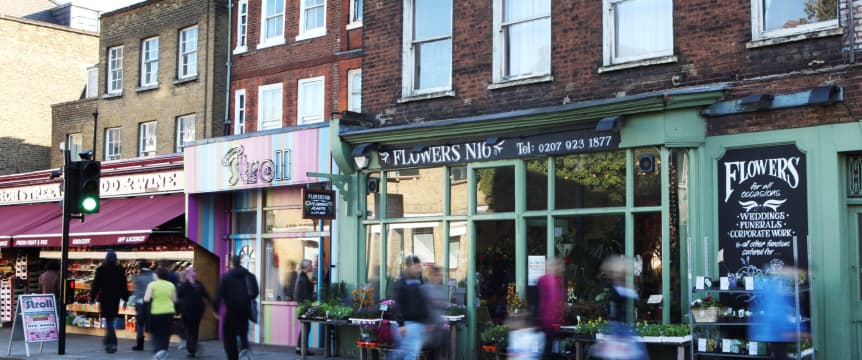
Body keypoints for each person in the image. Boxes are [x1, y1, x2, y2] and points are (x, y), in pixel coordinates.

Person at [592, 255, 647, 360]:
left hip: (618, 326)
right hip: (620, 327)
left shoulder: (617, 286)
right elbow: (634, 295)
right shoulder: (618, 288)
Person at [749, 267, 804, 360]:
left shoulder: (774, 285)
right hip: (777, 333)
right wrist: (790, 330)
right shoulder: (775, 287)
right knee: (780, 355)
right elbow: (776, 312)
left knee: (778, 354)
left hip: (774, 333)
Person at [213, 256, 259, 360]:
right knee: (243, 332)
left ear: (231, 263)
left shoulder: (226, 277)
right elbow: (255, 292)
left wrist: (216, 310)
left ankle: (233, 357)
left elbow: (219, 294)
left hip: (231, 310)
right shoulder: (250, 276)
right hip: (245, 310)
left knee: (229, 336)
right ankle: (244, 350)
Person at [390, 255, 432, 360]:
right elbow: (398, 304)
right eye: (416, 267)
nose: (419, 269)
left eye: (419, 266)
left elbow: (423, 303)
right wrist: (401, 324)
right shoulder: (401, 283)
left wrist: (426, 321)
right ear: (409, 266)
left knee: (403, 353)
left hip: (417, 325)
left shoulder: (420, 282)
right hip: (408, 325)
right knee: (410, 354)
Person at [90, 250, 130, 354]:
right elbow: (123, 285)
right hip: (115, 299)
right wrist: (125, 299)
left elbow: (96, 285)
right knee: (110, 321)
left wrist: (92, 297)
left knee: (109, 321)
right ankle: (109, 342)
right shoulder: (120, 270)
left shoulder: (101, 269)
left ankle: (111, 343)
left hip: (105, 298)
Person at [177, 267, 211, 358]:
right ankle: (193, 348)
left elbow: (177, 296)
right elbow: (207, 296)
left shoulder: (184, 285)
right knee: (195, 330)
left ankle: (191, 347)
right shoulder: (199, 284)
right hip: (197, 312)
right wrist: (213, 307)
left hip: (186, 312)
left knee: (187, 330)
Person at [145, 267, 178, 360]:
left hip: (156, 311)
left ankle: (158, 350)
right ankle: (164, 350)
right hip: (169, 311)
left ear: (157, 275)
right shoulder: (171, 285)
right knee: (165, 332)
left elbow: (146, 299)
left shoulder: (152, 285)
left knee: (156, 333)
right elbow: (175, 299)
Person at [536, 257, 564, 358]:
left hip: (556, 323)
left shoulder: (559, 281)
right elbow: (536, 301)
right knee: (547, 351)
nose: (559, 268)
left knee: (554, 351)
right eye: (555, 265)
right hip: (545, 322)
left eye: (559, 265)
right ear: (548, 267)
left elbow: (560, 301)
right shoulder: (542, 281)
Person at [421, 266, 448, 355]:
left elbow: (443, 304)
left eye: (440, 275)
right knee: (428, 352)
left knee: (437, 352)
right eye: (436, 275)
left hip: (439, 327)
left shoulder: (441, 289)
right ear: (431, 276)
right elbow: (422, 306)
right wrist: (427, 323)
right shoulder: (424, 289)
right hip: (429, 327)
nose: (439, 277)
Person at [132, 260, 156, 351]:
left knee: (140, 324)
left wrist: (135, 303)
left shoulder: (138, 278)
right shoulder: (153, 276)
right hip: (151, 301)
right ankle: (154, 343)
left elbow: (137, 292)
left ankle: (140, 344)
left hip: (140, 303)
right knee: (151, 323)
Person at [294, 259, 314, 355]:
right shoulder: (302, 277)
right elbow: (306, 294)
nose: (312, 267)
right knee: (306, 327)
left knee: (305, 327)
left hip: (302, 305)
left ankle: (300, 347)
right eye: (310, 265)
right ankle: (303, 348)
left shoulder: (303, 276)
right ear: (306, 267)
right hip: (304, 305)